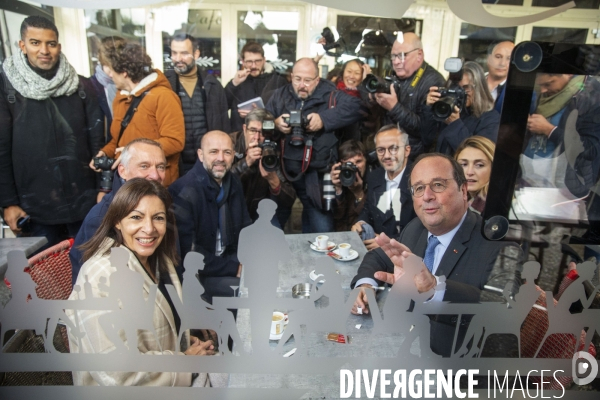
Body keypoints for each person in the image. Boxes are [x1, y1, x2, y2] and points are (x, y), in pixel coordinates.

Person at [350, 153, 507, 357]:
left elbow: (500, 315)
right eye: (419, 188)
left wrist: (433, 291)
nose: (427, 196)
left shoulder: (497, 246)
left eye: (438, 185)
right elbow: (378, 257)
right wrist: (365, 285)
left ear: (463, 190)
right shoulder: (417, 227)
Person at [67, 178, 217, 386]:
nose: (149, 228)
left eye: (158, 218)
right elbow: (116, 375)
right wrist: (185, 363)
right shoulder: (99, 275)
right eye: (136, 217)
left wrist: (182, 343)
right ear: (117, 221)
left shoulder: (159, 261)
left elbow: (154, 326)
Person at [0, 16, 103, 252]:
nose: (44, 50)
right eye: (35, 43)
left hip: (83, 204)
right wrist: (8, 203)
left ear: (59, 46)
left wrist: (102, 192)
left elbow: (97, 144)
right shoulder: (6, 88)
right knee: (43, 282)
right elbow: (1, 148)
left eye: (51, 43)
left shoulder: (82, 86)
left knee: (89, 276)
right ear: (22, 45)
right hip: (34, 210)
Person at [266, 57, 363, 233]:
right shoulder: (280, 95)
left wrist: (324, 119)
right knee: (270, 226)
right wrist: (274, 122)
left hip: (316, 176)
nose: (302, 85)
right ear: (291, 76)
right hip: (285, 172)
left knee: (321, 232)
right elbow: (260, 119)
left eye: (308, 80)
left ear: (317, 80)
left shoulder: (330, 94)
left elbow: (357, 107)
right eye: (297, 79)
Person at [169, 130, 252, 303]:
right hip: (202, 275)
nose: (220, 158)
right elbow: (189, 253)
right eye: (213, 152)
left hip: (232, 261)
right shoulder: (185, 191)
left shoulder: (233, 182)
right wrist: (234, 268)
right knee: (252, 293)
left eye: (227, 152)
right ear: (200, 155)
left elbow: (246, 228)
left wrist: (248, 260)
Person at [71, 138, 168, 285]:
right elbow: (96, 284)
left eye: (160, 167)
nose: (155, 175)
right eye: (144, 166)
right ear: (123, 171)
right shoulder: (101, 217)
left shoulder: (160, 204)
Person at [90, 42, 184, 187]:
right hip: (128, 183)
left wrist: (133, 152)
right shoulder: (120, 98)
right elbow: (118, 141)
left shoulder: (163, 96)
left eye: (112, 70)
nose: (109, 75)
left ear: (124, 72)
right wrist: (106, 152)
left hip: (157, 184)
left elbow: (175, 142)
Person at [373, 32, 445, 160]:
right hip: (390, 154)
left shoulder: (434, 82)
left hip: (414, 159)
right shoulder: (394, 75)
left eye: (401, 56)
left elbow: (426, 131)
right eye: (393, 56)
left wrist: (394, 107)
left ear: (419, 55)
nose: (396, 62)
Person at [166, 34, 230, 176]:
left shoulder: (213, 85)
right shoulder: (164, 85)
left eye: (184, 53)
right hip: (175, 165)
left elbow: (224, 127)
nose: (178, 58)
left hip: (208, 165)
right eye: (174, 53)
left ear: (196, 54)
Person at [351, 125, 415, 249]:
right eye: (381, 150)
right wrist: (360, 223)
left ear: (407, 150)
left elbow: (423, 229)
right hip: (374, 253)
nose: (386, 156)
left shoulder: (420, 181)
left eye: (393, 148)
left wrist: (388, 244)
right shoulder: (375, 176)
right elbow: (368, 208)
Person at [230, 108, 296, 227]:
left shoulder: (272, 150)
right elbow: (221, 183)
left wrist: (274, 182)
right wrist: (246, 162)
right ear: (244, 129)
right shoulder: (230, 144)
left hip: (260, 212)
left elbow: (290, 198)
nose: (256, 137)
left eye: (262, 132)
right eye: (253, 130)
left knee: (273, 236)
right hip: (232, 209)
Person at [424, 61, 500, 155]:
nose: (459, 92)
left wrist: (454, 124)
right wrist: (429, 109)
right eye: (455, 88)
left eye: (466, 87)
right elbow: (427, 140)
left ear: (479, 88)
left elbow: (477, 155)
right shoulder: (447, 110)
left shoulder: (491, 119)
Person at [225, 41, 287, 133]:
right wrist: (233, 83)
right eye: (249, 61)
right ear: (242, 62)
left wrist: (258, 114)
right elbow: (221, 106)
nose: (253, 65)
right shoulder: (237, 81)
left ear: (264, 60)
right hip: (241, 138)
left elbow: (284, 113)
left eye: (257, 61)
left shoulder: (278, 81)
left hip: (269, 136)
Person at [90, 36, 126, 144]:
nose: (112, 73)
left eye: (116, 66)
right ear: (101, 62)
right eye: (107, 66)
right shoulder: (90, 87)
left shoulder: (130, 85)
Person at [330, 140, 369, 232]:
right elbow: (336, 216)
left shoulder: (374, 180)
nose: (354, 168)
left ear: (366, 161)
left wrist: (359, 193)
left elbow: (369, 218)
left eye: (358, 161)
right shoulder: (337, 178)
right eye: (348, 164)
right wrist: (338, 189)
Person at [454, 136, 495, 214]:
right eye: (463, 164)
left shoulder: (496, 205)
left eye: (479, 165)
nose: (469, 172)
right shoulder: (457, 200)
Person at [486, 41, 514, 114]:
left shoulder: (517, 91)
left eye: (509, 58)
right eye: (498, 57)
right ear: (489, 59)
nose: (502, 63)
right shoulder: (473, 81)